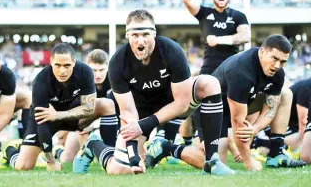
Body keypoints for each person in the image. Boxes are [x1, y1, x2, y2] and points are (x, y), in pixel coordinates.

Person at [73, 9, 234, 175]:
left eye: (145, 34)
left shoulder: (172, 51)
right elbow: (128, 113)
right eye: (135, 35)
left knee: (209, 83)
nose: (140, 40)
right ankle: (94, 145)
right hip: (140, 114)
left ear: (154, 34)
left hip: (174, 105)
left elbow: (183, 103)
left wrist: (145, 125)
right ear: (127, 36)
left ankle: (212, 159)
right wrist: (133, 154)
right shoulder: (118, 62)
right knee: (119, 169)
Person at [2, 43, 117, 171]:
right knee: (23, 166)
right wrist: (50, 161)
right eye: (58, 65)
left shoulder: (85, 72)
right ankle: (10, 151)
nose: (62, 71)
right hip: (47, 122)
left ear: (74, 62)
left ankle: (110, 155)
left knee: (107, 104)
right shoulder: (41, 81)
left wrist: (58, 115)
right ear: (51, 62)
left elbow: (89, 108)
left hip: (73, 117)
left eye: (67, 65)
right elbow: (42, 123)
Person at [180, 0, 251, 162]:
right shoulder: (205, 14)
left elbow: (245, 36)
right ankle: (204, 143)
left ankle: (263, 148)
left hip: (233, 69)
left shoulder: (238, 16)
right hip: (209, 68)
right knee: (199, 105)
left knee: (232, 109)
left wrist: (220, 39)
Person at [212, 34, 306, 171]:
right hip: (214, 110)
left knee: (285, 94)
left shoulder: (277, 73)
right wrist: (248, 160)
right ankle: (180, 145)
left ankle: (276, 154)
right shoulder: (241, 71)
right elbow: (237, 120)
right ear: (262, 52)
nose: (277, 66)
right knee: (216, 163)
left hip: (242, 105)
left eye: (283, 61)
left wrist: (254, 129)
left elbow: (271, 108)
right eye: (274, 58)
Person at [53, 49, 118, 163]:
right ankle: (59, 150)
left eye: (101, 70)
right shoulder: (79, 81)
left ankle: (108, 155)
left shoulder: (115, 80)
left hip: (108, 122)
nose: (97, 75)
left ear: (107, 67)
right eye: (93, 70)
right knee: (67, 159)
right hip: (83, 121)